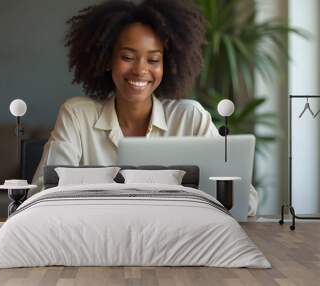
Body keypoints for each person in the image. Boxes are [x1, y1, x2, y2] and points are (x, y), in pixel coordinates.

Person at [30, 0, 258, 216]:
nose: (140, 70)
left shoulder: (190, 118)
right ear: (107, 60)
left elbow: (244, 199)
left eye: (153, 60)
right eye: (128, 56)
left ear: (166, 65)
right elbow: (42, 193)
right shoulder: (77, 116)